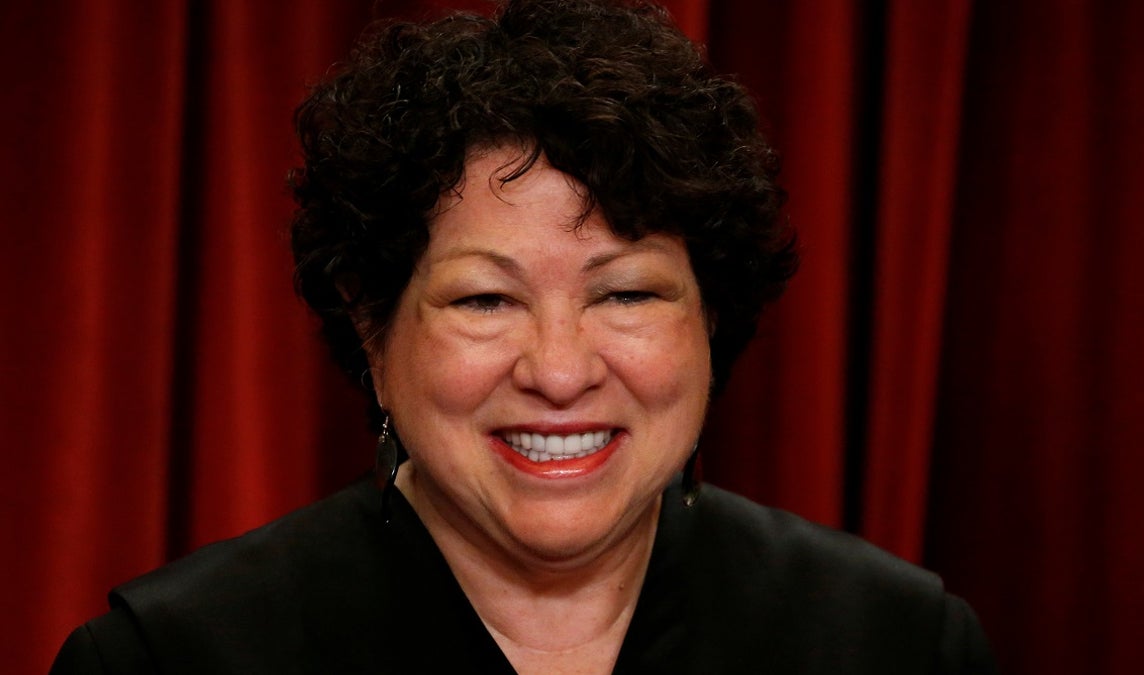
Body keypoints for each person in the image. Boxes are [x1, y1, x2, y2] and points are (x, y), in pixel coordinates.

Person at [51, 0, 998, 672]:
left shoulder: (895, 643)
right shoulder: (171, 656)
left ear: (712, 318)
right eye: (484, 301)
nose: (558, 370)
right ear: (373, 330)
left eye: (625, 293)